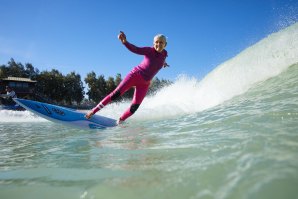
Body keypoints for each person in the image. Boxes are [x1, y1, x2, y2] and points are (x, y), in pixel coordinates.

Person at [85, 31, 169, 124]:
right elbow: (136, 49)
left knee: (134, 107)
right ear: (153, 43)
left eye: (161, 42)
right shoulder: (149, 50)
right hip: (135, 75)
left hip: (145, 84)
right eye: (156, 42)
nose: (158, 44)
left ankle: (120, 121)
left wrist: (164, 63)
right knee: (115, 94)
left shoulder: (165, 54)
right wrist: (125, 42)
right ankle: (93, 111)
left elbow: (160, 59)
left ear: (165, 44)